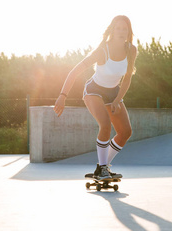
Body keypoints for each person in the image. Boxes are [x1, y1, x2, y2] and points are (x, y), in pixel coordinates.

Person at [53, 15, 137, 180]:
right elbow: (75, 71)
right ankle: (104, 167)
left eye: (124, 29)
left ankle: (102, 167)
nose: (121, 31)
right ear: (112, 31)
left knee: (125, 132)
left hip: (114, 93)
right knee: (105, 125)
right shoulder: (102, 51)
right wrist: (62, 96)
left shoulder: (131, 50)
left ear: (129, 32)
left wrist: (117, 99)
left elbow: (127, 78)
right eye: (118, 28)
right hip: (94, 91)